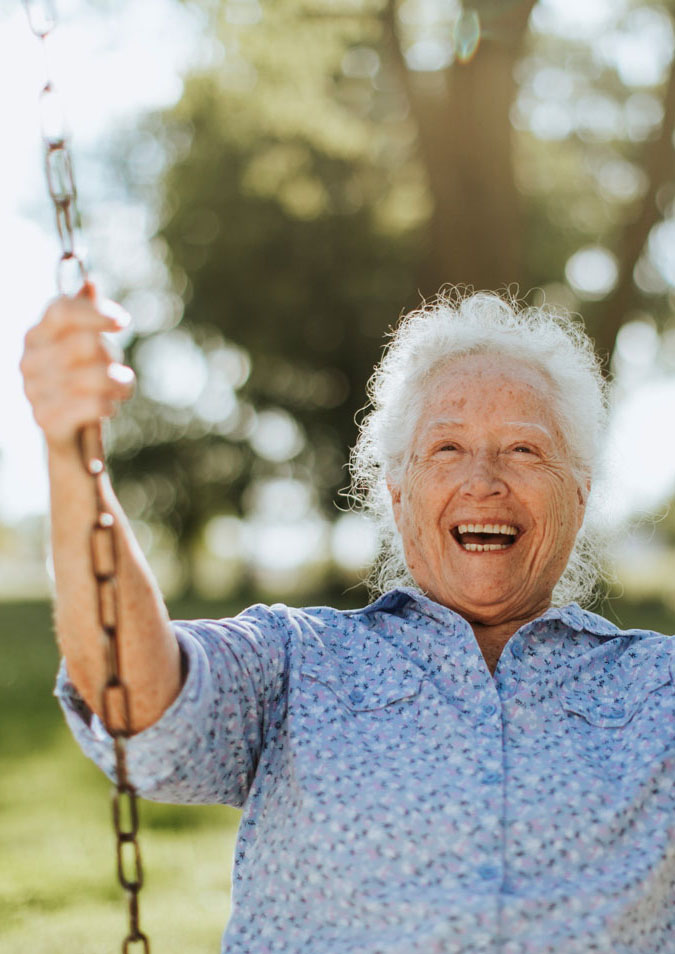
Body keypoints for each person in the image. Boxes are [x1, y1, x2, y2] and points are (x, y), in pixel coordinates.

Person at [20, 287, 675, 954]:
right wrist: (73, 453)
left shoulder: (658, 689)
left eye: (524, 451)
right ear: (396, 492)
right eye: (447, 448)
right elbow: (135, 690)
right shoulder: (294, 662)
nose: (483, 480)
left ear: (579, 492)